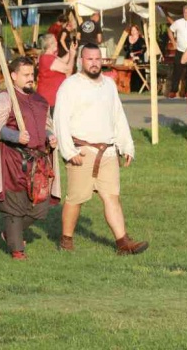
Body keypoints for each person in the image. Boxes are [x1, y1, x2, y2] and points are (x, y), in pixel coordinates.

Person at [54, 43, 148, 255]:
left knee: (111, 196)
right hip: (82, 151)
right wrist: (69, 152)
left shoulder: (109, 85)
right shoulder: (70, 86)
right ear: (81, 61)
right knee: (76, 199)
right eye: (90, 59)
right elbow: (60, 120)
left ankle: (123, 243)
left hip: (107, 152)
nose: (94, 63)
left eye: (98, 59)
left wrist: (126, 145)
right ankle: (66, 240)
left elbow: (117, 116)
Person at [0, 57, 61, 260]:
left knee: (40, 207)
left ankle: (10, 234)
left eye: (32, 75)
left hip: (38, 162)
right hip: (13, 161)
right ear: (13, 76)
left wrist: (50, 136)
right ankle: (17, 250)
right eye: (26, 75)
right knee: (14, 207)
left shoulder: (39, 100)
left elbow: (45, 126)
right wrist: (15, 136)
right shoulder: (5, 98)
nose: (31, 79)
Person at [36, 33, 76, 112]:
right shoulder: (47, 58)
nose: (57, 43)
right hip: (49, 99)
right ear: (49, 44)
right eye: (55, 41)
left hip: (50, 98)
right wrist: (72, 56)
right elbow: (68, 69)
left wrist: (71, 50)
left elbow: (63, 61)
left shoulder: (49, 56)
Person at [123, 24, 148, 91]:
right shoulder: (128, 38)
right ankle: (129, 88)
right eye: (132, 30)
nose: (133, 31)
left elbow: (144, 49)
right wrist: (129, 53)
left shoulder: (141, 39)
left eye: (134, 30)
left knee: (138, 73)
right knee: (129, 73)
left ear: (137, 31)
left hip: (138, 58)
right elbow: (125, 48)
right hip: (129, 59)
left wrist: (137, 56)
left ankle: (140, 88)